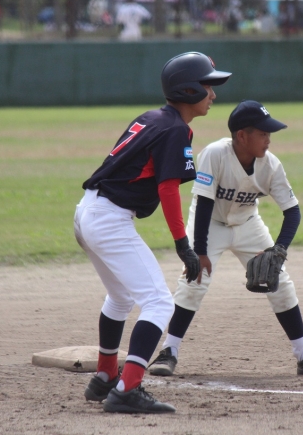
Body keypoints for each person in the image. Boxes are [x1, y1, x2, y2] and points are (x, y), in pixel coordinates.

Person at [74, 52, 231, 413]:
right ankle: (127, 388)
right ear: (188, 89)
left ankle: (105, 375)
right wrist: (183, 245)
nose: (213, 94)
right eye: (208, 86)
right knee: (159, 303)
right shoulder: (175, 129)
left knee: (120, 297)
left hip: (88, 212)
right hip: (108, 219)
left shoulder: (152, 118)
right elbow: (168, 188)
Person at [147, 100, 303, 378]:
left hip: (248, 224)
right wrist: (200, 252)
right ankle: (168, 351)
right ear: (241, 136)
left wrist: (278, 250)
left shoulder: (270, 165)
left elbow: (292, 211)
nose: (268, 139)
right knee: (194, 282)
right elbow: (204, 204)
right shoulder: (215, 154)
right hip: (210, 223)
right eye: (263, 133)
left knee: (281, 283)